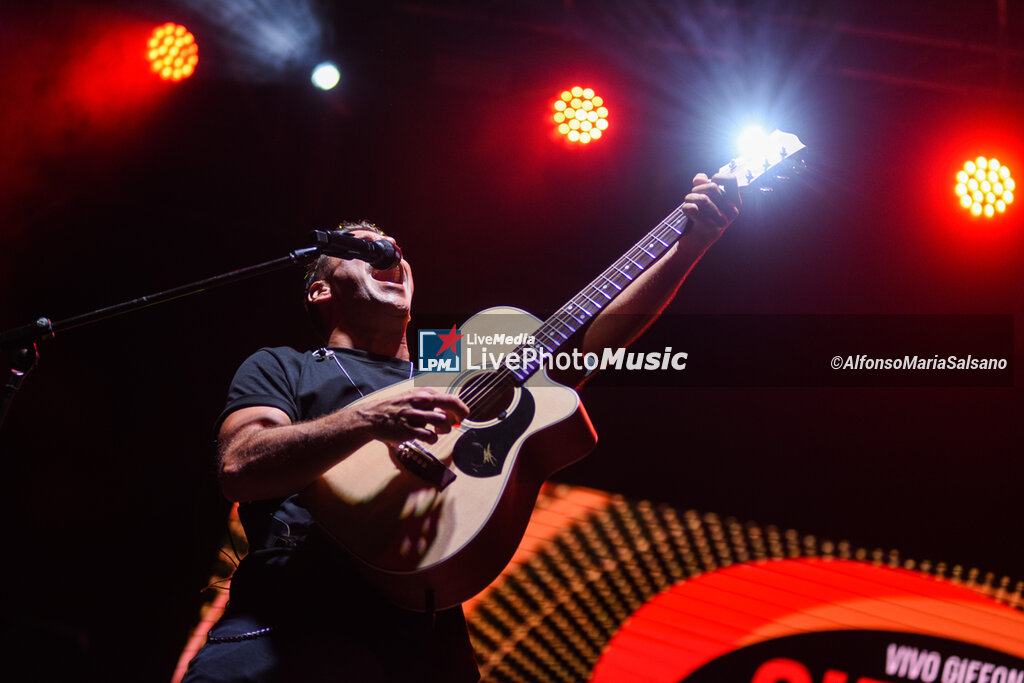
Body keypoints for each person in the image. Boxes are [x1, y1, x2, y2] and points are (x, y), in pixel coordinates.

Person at [181, 173, 740, 682]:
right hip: (284, 629)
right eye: (364, 251)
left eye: (396, 253)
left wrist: (689, 245)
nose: (390, 256)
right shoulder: (284, 365)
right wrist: (369, 419)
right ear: (320, 290)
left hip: (419, 642)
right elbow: (240, 466)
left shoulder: (457, 367)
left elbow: (595, 342)